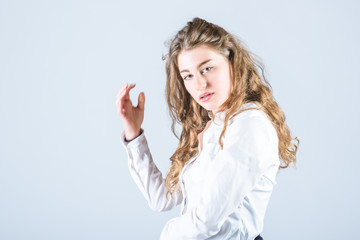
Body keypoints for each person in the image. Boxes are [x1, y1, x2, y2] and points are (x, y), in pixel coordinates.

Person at [115, 17, 298, 240]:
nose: (200, 84)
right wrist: (134, 134)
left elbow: (206, 221)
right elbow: (162, 198)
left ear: (232, 63)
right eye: (188, 76)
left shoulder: (250, 125)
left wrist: (166, 235)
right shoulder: (213, 126)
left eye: (208, 68)